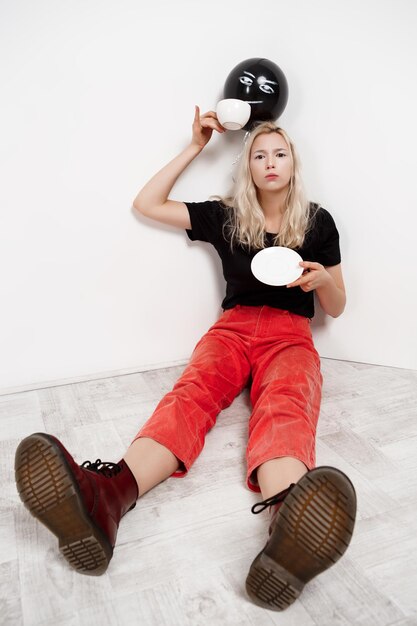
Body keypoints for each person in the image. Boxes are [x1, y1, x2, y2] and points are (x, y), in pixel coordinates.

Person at [15, 106, 357, 612]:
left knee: (286, 404)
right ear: (247, 167)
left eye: (279, 153)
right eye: (258, 154)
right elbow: (147, 203)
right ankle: (108, 496)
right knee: (193, 392)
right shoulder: (226, 215)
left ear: (293, 163)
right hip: (234, 327)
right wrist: (196, 145)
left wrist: (323, 279)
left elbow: (337, 306)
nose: (269, 162)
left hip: (290, 335)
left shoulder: (318, 221)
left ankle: (289, 524)